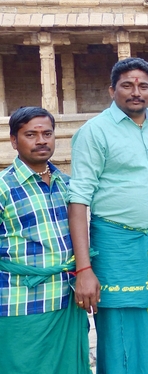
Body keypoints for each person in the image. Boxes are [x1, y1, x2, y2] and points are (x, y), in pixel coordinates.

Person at [68, 58, 148, 374]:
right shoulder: (95, 132)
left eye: (143, 85)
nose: (136, 92)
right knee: (120, 338)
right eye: (127, 85)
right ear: (112, 90)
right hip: (115, 249)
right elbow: (78, 201)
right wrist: (84, 268)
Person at [0, 107, 90, 374]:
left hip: (65, 299)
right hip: (19, 303)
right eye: (31, 134)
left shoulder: (66, 183)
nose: (41, 140)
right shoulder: (4, 187)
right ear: (14, 140)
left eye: (47, 133)